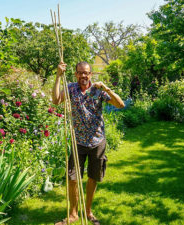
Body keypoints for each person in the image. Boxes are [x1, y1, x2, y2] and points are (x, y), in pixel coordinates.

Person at [52, 61, 125, 225]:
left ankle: (88, 211)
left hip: (97, 141)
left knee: (93, 177)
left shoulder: (98, 90)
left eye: (86, 73)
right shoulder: (71, 88)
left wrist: (106, 88)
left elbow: (120, 104)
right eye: (80, 73)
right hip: (78, 141)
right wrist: (57, 76)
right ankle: (73, 214)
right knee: (72, 178)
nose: (83, 76)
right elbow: (56, 100)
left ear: (90, 74)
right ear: (76, 74)